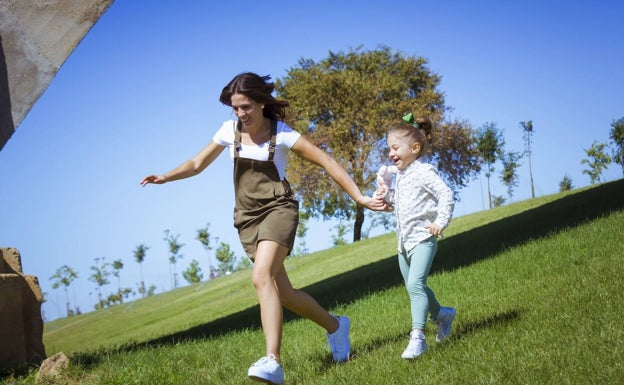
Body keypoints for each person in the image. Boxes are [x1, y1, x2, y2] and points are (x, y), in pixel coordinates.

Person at [141, 72, 386, 384]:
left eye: (246, 107)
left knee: (260, 277)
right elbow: (196, 164)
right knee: (283, 292)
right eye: (235, 108)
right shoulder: (229, 132)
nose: (241, 114)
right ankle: (337, 326)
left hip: (279, 209)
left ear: (260, 102)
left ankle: (273, 362)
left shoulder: (281, 134)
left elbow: (327, 162)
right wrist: (166, 176)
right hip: (247, 218)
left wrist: (359, 196)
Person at [375, 114, 456, 359]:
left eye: (395, 147)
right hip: (403, 243)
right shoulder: (400, 176)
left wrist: (440, 222)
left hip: (423, 238)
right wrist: (385, 195)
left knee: (415, 285)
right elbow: (398, 204)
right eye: (389, 148)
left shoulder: (423, 171)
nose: (391, 153)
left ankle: (418, 338)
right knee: (414, 288)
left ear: (415, 148)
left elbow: (446, 194)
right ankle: (442, 315)